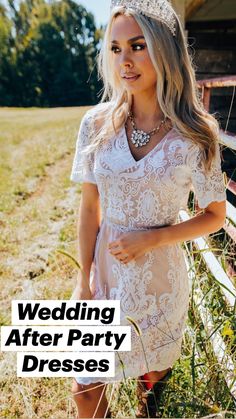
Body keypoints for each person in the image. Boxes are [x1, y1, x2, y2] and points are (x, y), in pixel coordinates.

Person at [70, 0, 227, 417]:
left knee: (151, 391)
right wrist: (82, 280)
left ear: (164, 49)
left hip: (160, 283)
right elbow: (89, 209)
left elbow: (214, 215)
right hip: (104, 274)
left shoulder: (195, 134)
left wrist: (152, 238)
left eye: (138, 46)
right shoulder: (96, 124)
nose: (126, 60)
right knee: (85, 389)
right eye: (117, 48)